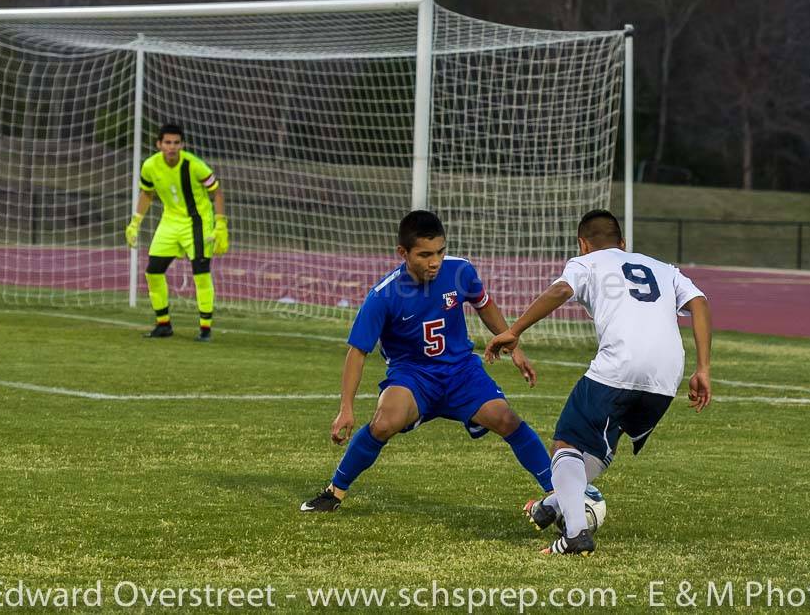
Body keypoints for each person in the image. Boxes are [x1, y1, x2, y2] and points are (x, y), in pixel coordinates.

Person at [484, 209, 712, 556]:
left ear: (583, 244)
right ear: (623, 243)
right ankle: (555, 503)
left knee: (566, 445)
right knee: (602, 446)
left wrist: (514, 330)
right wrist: (704, 368)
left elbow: (561, 289)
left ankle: (575, 534)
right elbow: (699, 302)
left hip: (620, 364)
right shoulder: (664, 269)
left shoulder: (585, 263)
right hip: (667, 375)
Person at [301, 210, 553, 512]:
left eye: (440, 252)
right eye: (424, 254)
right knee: (384, 423)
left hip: (461, 372)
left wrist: (514, 345)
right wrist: (346, 409)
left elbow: (484, 305)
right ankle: (334, 491)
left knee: (507, 419)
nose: (435, 261)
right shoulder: (383, 295)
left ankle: (558, 491)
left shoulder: (460, 271)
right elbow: (357, 353)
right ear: (402, 253)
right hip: (412, 376)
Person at [125, 123, 228, 342]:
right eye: (167, 143)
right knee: (153, 271)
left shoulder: (194, 165)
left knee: (201, 273)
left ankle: (205, 329)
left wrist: (220, 224)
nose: (172, 147)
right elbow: (147, 193)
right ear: (159, 144)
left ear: (182, 145)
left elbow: (217, 193)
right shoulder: (150, 166)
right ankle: (163, 325)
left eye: (176, 143)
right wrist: (135, 222)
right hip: (170, 222)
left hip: (198, 222)